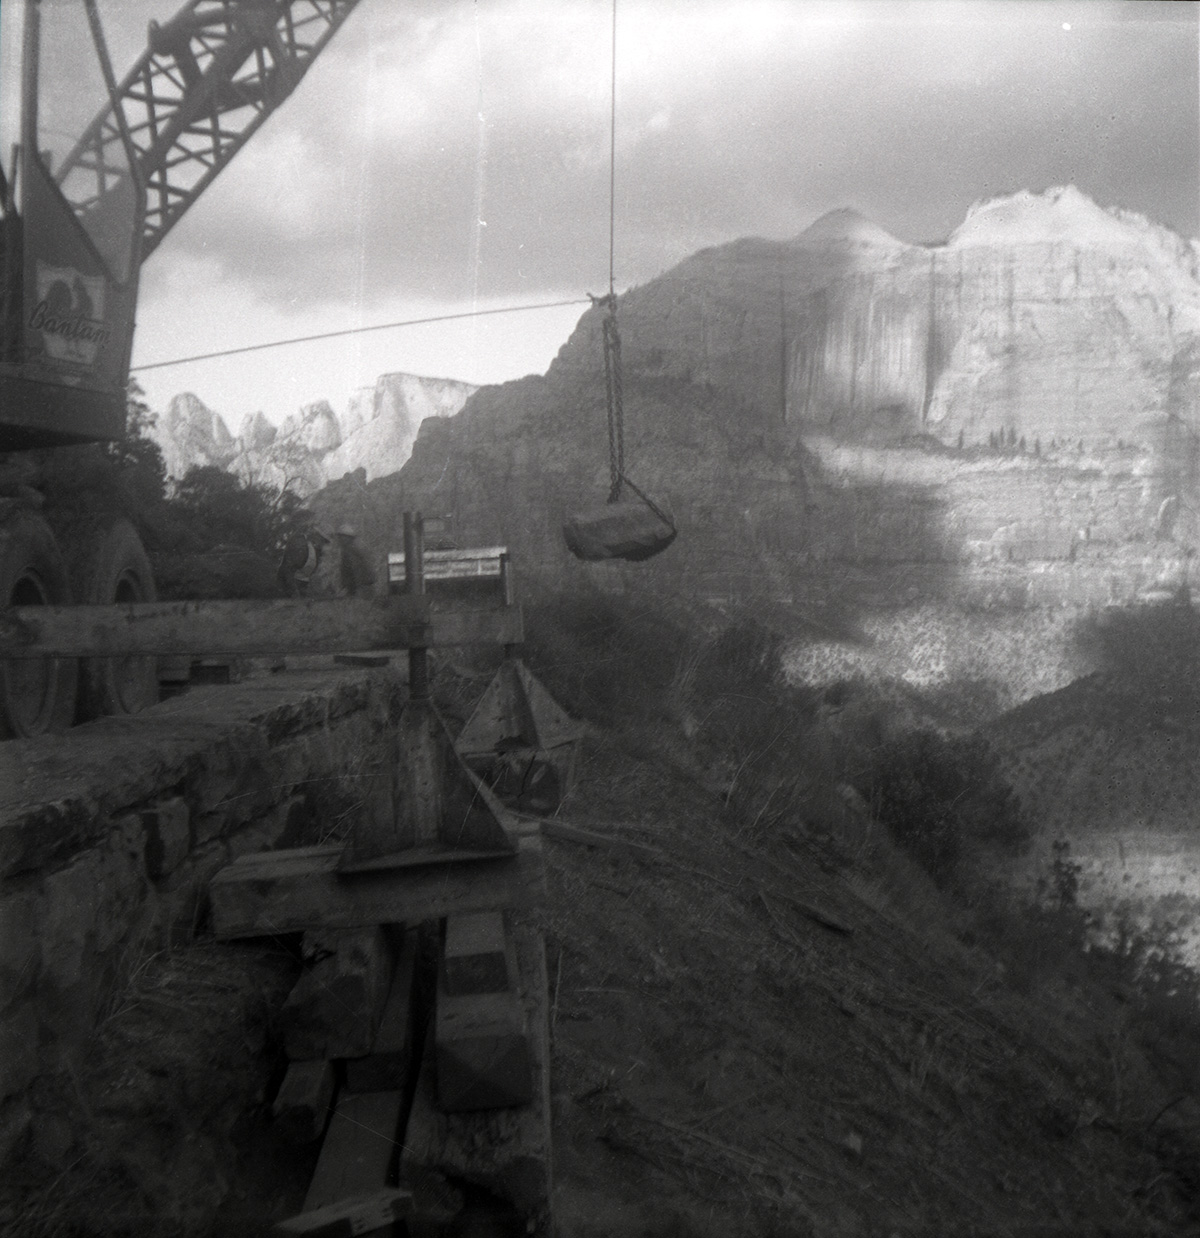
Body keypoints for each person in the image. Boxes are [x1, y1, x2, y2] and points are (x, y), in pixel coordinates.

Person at [277, 529, 329, 597]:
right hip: (289, 588)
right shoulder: (300, 545)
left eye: (325, 542)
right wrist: (295, 593)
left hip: (302, 586)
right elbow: (287, 571)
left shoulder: (317, 552)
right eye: (321, 539)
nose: (324, 545)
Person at [336, 523, 377, 597]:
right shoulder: (355, 546)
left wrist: (351, 586)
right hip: (364, 584)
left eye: (341, 536)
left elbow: (356, 568)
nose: (339, 539)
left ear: (347, 537)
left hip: (361, 586)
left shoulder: (351, 549)